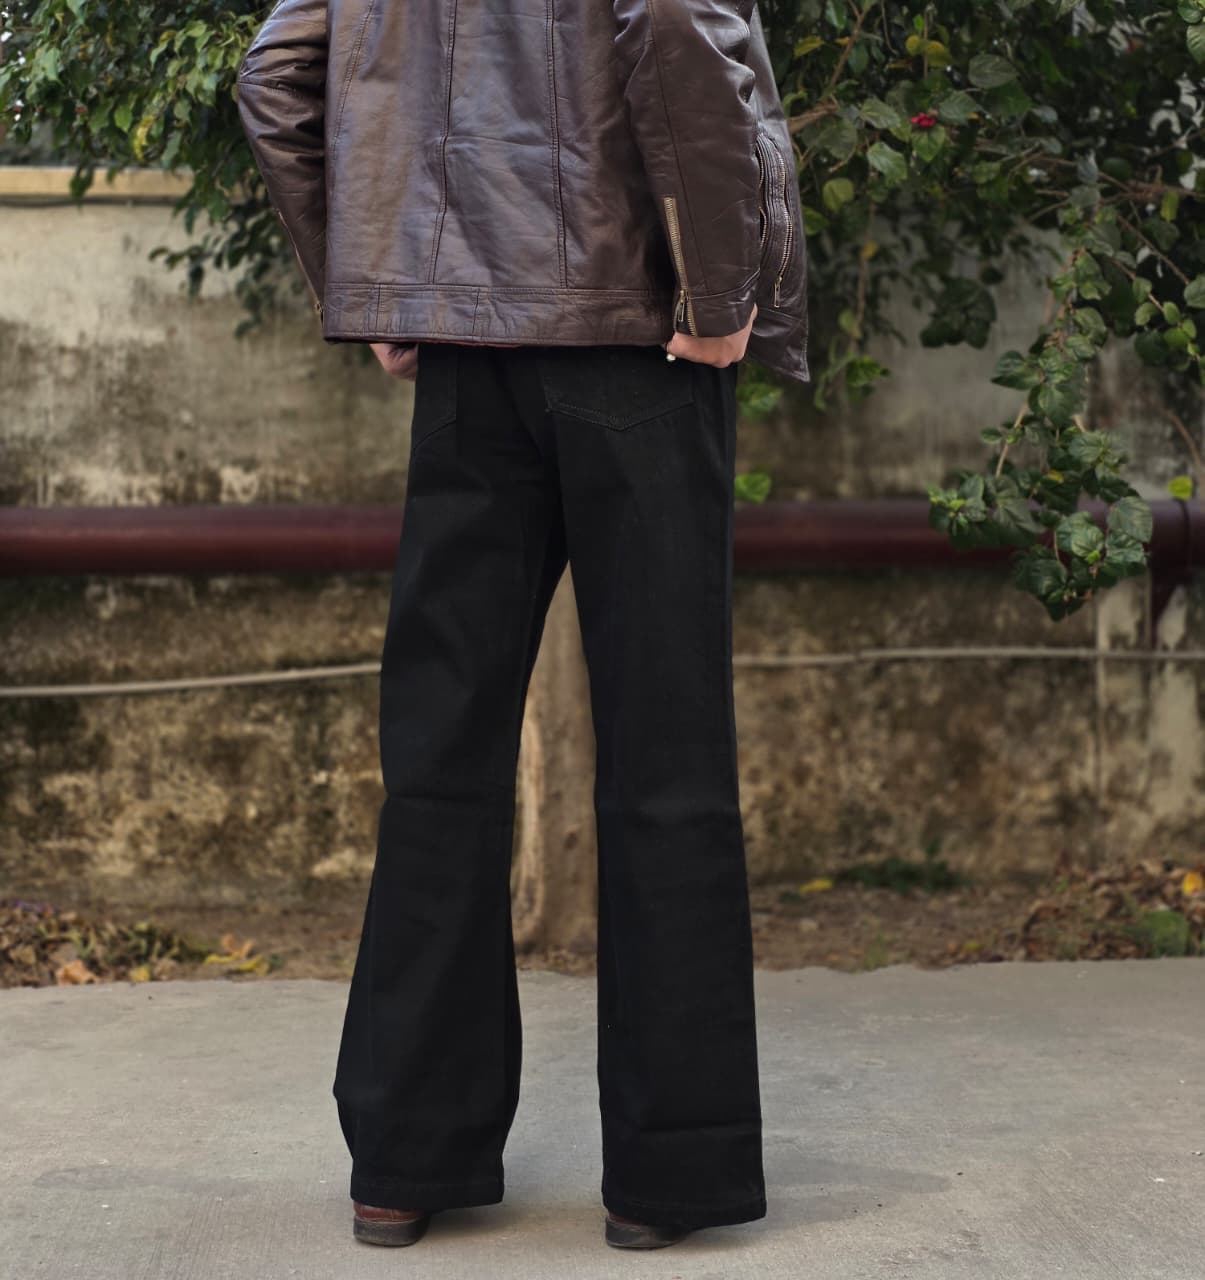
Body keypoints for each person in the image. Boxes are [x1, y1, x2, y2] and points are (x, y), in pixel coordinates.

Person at [236, 0, 808, 1252]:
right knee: (664, 756)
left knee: (440, 758)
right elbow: (673, 19)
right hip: (639, 338)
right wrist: (718, 286)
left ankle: (403, 1159)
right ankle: (667, 1173)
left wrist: (373, 276)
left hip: (464, 348)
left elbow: (275, 74)